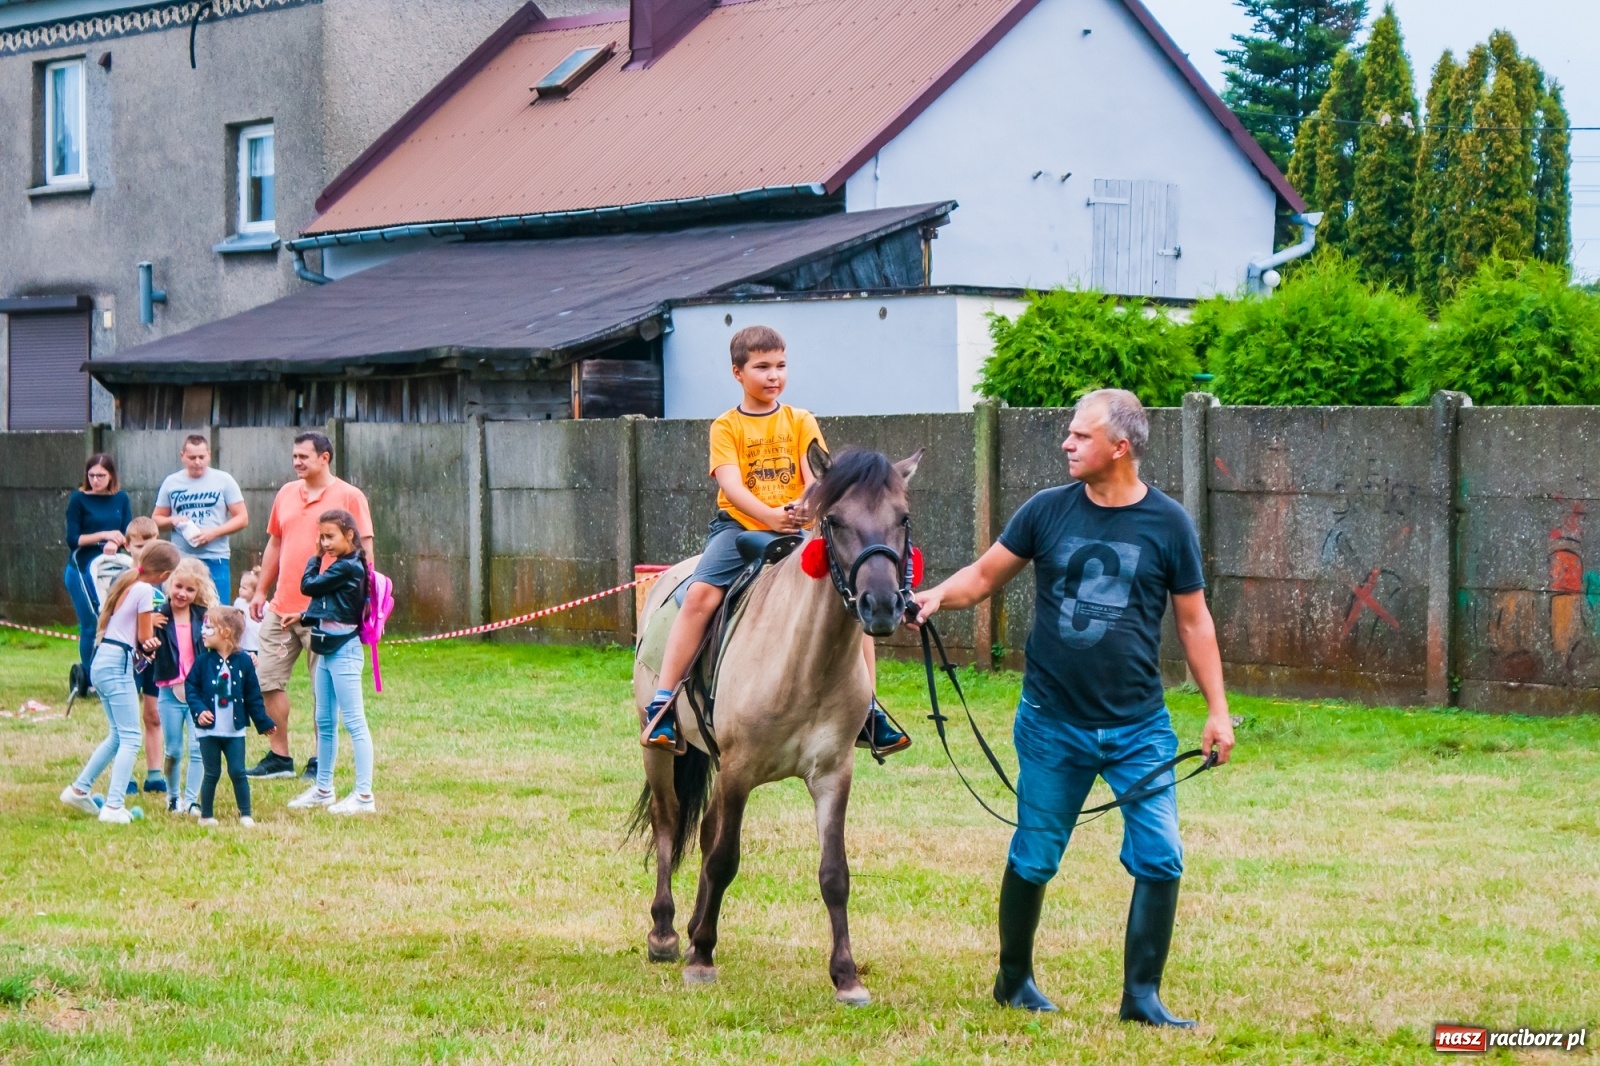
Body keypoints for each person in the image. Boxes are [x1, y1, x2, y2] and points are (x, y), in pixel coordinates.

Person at [911, 389, 1235, 1027]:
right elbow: (981, 576)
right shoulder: (1046, 511)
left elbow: (1195, 623)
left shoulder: (1169, 524)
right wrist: (932, 598)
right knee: (1035, 854)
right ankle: (1013, 980)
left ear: (1120, 447)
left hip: (1140, 726)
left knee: (1161, 855)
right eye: (1069, 433)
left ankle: (1141, 999)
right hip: (1052, 722)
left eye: (1080, 436)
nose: (1066, 443)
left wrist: (1218, 712)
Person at [642, 325, 907, 756]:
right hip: (738, 530)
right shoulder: (726, 427)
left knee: (852, 600)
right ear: (737, 372)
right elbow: (731, 484)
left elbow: (818, 475)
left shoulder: (800, 421)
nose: (773, 376)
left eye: (780, 366)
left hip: (796, 532)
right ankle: (664, 703)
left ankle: (869, 710)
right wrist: (769, 515)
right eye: (762, 367)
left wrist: (805, 507)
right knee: (699, 598)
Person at [246, 432, 374, 780]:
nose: (297, 462)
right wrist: (260, 591)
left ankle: (320, 760)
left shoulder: (350, 496)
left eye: (304, 456)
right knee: (266, 680)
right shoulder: (286, 493)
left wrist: (366, 602)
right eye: (294, 457)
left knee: (325, 690)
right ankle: (279, 757)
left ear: (325, 458)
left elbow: (365, 553)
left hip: (328, 613)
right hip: (281, 606)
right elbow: (275, 543)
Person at [59, 541, 182, 824]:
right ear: (164, 575)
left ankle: (79, 789)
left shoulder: (127, 583)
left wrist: (145, 644)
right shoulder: (143, 590)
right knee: (130, 737)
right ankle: (113, 806)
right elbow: (143, 636)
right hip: (117, 663)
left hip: (102, 660)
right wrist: (151, 644)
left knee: (117, 734)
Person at [287, 509, 377, 815]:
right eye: (320, 537)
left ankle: (364, 795)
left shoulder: (349, 566)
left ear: (349, 535)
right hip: (326, 648)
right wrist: (302, 616)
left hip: (344, 651)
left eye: (329, 536)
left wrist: (314, 558)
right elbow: (329, 604)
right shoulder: (341, 564)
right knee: (325, 721)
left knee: (354, 722)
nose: (324, 542)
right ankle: (323, 789)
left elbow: (309, 587)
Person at [185, 606, 275, 827]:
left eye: (209, 627)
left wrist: (263, 722)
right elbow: (191, 688)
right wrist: (199, 710)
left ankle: (246, 814)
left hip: (234, 731)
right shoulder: (203, 662)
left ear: (225, 632)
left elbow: (253, 696)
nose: (203, 632)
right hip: (208, 732)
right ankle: (206, 815)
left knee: (238, 771)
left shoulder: (244, 662)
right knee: (212, 772)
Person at [150, 558, 217, 815]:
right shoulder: (158, 617)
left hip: (197, 693)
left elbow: (221, 641)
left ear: (197, 592)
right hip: (169, 691)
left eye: (190, 590)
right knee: (174, 749)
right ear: (169, 584)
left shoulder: (203, 618)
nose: (182, 594)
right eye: (179, 586)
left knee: (199, 746)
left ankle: (192, 800)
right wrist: (148, 637)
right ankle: (172, 796)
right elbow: (142, 642)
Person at [64, 454, 132, 699]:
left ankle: (116, 675)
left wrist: (118, 540)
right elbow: (73, 539)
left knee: (117, 621)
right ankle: (91, 680)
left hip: (112, 567)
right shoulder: (78, 500)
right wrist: (104, 535)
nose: (95, 480)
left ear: (111, 475)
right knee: (92, 623)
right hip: (82, 568)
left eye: (101, 475)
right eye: (91, 475)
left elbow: (128, 533)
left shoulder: (121, 499)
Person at [152, 434, 248, 598]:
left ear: (209, 455)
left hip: (215, 557)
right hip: (182, 559)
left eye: (202, 457)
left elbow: (242, 518)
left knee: (218, 611)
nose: (197, 462)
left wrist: (213, 532)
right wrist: (172, 520)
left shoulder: (224, 480)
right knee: (180, 609)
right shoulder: (171, 482)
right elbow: (156, 519)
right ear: (182, 456)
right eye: (192, 457)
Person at [234, 566, 263, 660]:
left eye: (244, 588)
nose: (240, 590)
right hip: (242, 642)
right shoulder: (238, 602)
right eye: (240, 586)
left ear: (255, 591)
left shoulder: (264, 605)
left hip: (256, 643)